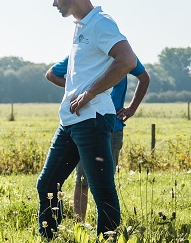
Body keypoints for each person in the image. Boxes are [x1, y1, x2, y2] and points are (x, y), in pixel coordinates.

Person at [36, 0, 138, 239]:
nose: (53, 2)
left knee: (101, 189)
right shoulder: (81, 27)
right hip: (70, 121)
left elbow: (126, 61)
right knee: (47, 184)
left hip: (92, 121)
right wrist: (77, 93)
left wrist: (90, 93)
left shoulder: (100, 23)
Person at [46, 54, 150, 222]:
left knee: (105, 182)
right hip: (86, 123)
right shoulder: (84, 53)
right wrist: (76, 89)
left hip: (113, 126)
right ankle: (80, 224)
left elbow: (144, 78)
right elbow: (51, 74)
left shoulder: (122, 55)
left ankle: (106, 232)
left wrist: (132, 108)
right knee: (82, 179)